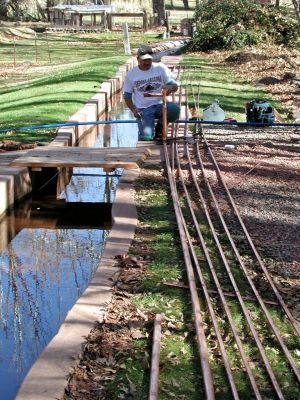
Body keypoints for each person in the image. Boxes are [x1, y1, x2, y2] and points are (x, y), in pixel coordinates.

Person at [123, 45, 180, 141]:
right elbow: (127, 96)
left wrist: (170, 88)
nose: (147, 62)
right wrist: (134, 110)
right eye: (144, 60)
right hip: (143, 109)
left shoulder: (160, 68)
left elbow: (174, 85)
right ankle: (146, 134)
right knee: (147, 138)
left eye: (149, 60)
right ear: (138, 59)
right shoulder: (131, 74)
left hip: (160, 105)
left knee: (174, 110)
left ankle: (160, 127)